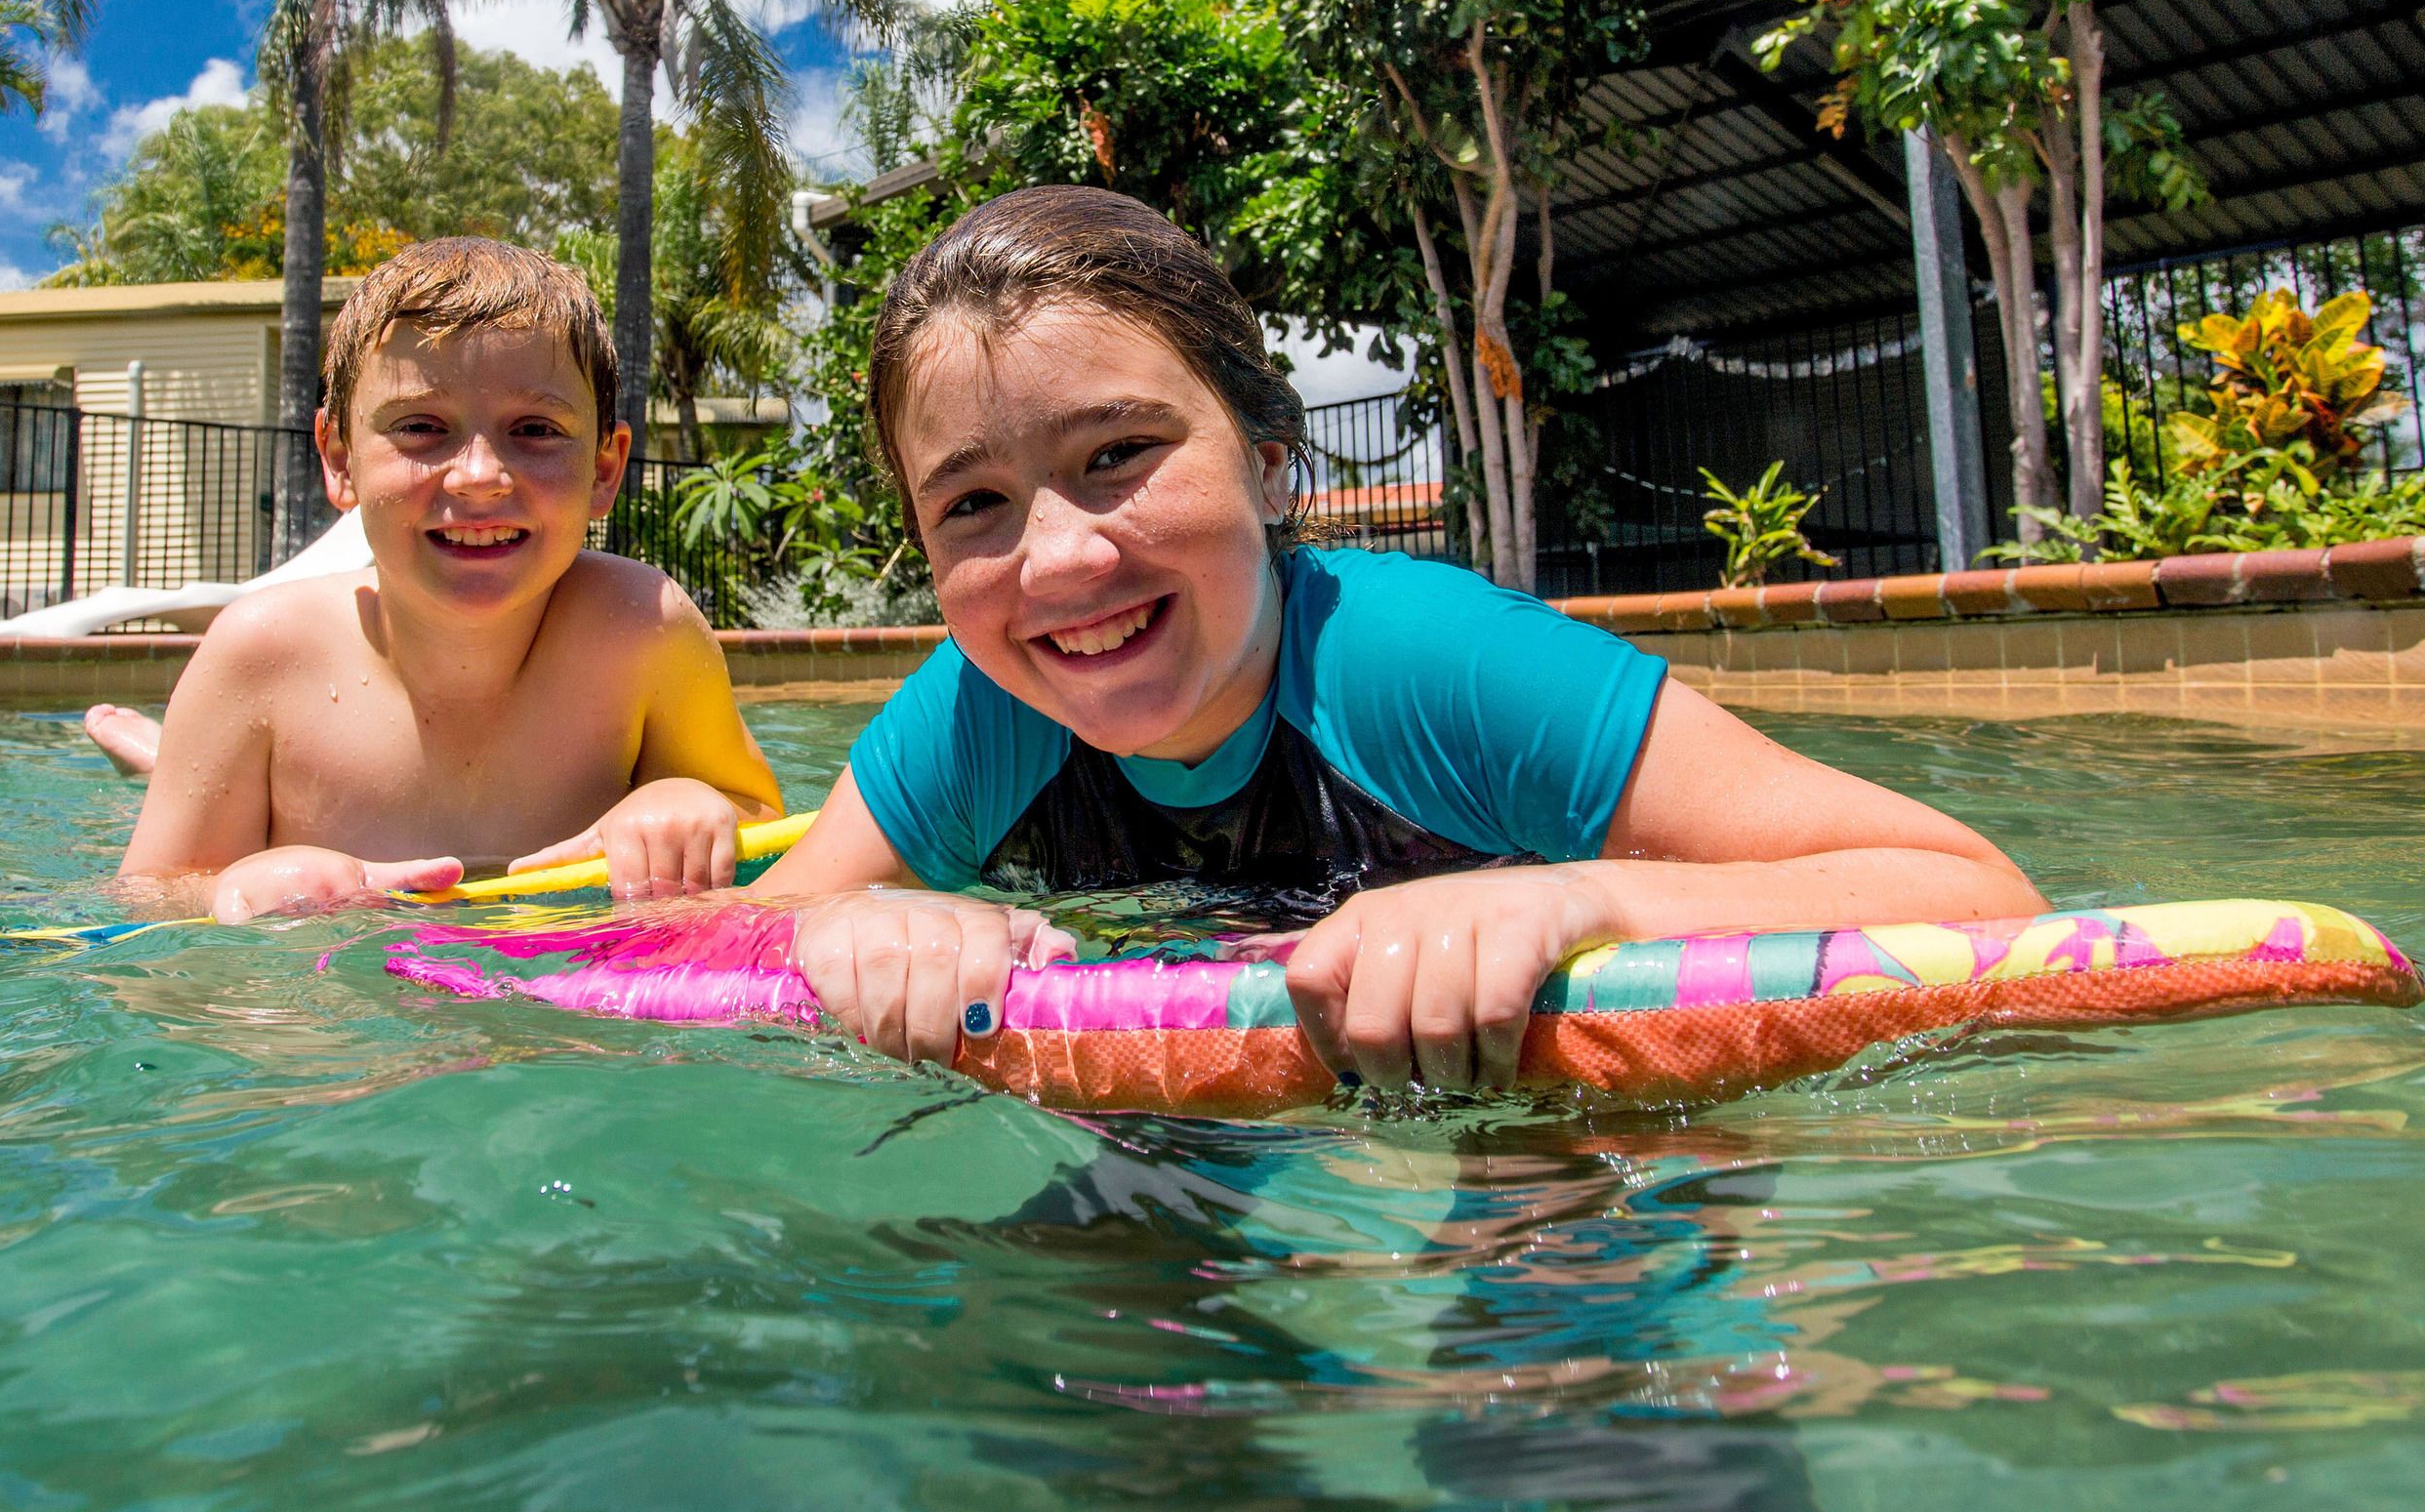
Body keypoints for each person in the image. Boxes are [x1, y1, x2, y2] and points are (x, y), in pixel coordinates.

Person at [748, 185, 2042, 1093]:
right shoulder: (980, 709)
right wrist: (850, 930)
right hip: (1215, 1105)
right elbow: (712, 941)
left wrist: (1576, 900)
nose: (1058, 559)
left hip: (1547, 1101)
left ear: (1269, 467)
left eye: (1120, 453)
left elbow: (1978, 895)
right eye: (973, 504)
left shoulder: (1426, 665)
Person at [119, 237, 780, 921]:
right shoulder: (263, 655)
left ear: (604, 470)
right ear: (340, 460)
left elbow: (768, 828)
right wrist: (234, 886)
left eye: (535, 429)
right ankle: (153, 753)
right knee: (180, 778)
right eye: (420, 427)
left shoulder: (642, 628)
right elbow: (146, 895)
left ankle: (153, 752)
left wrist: (687, 803)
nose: (479, 477)